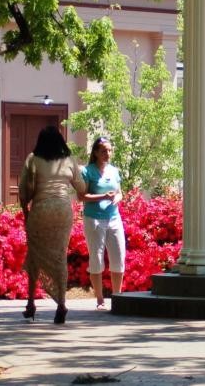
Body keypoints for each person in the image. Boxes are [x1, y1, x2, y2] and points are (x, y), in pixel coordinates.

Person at [18, 125, 86, 324]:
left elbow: (25, 190)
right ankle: (62, 304)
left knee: (34, 256)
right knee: (59, 256)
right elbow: (81, 188)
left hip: (41, 210)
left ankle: (30, 303)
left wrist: (25, 210)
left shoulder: (33, 159)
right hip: (63, 211)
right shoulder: (69, 161)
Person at [80, 136, 126, 310]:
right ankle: (100, 300)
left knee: (118, 256)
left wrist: (117, 198)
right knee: (97, 258)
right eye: (103, 151)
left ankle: (118, 296)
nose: (107, 153)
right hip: (94, 219)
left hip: (114, 218)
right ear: (96, 153)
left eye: (109, 150)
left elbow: (120, 193)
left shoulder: (114, 171)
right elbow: (81, 196)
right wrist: (103, 196)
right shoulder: (87, 171)